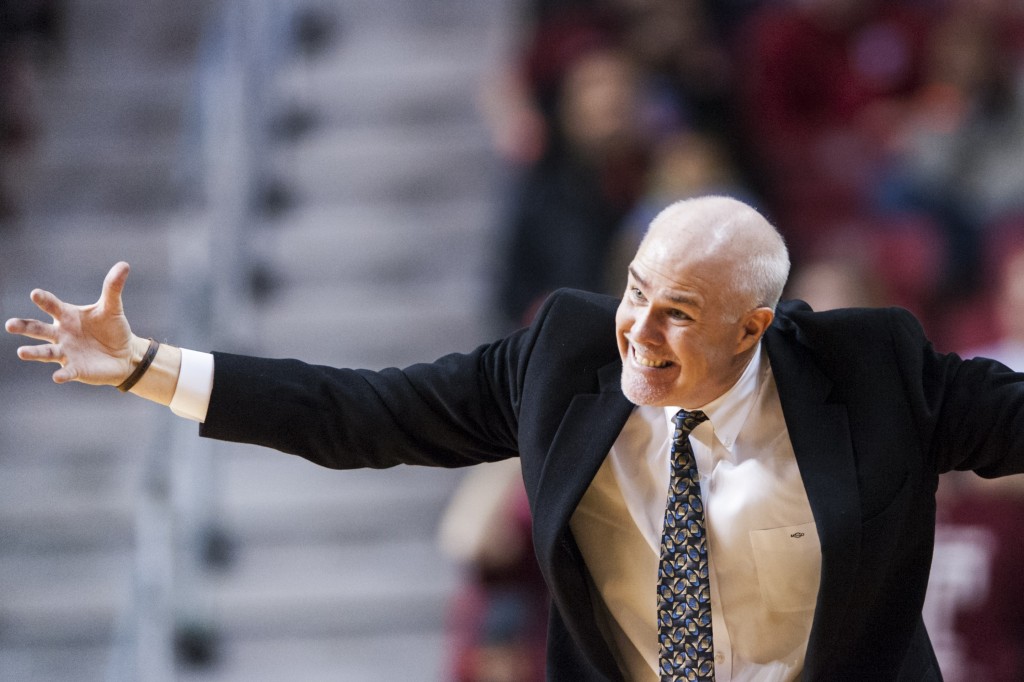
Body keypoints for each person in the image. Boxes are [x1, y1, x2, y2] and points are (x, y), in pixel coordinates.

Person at [6, 195, 1024, 680]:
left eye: (678, 313)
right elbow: (360, 412)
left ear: (753, 327)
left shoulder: (873, 374)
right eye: (636, 292)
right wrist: (145, 364)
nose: (639, 329)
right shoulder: (563, 362)